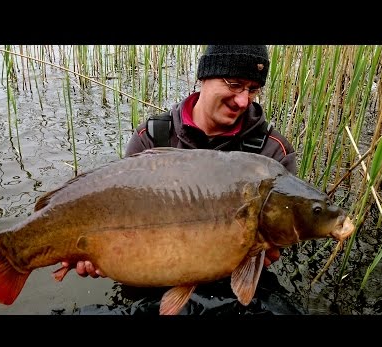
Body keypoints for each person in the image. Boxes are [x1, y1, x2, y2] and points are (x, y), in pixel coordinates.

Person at [61, 45, 300, 314]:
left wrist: (269, 250)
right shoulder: (153, 137)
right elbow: (117, 218)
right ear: (204, 77)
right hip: (153, 272)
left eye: (253, 89)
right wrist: (100, 255)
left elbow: (280, 236)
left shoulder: (272, 153)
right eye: (234, 85)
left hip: (230, 279)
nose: (244, 101)